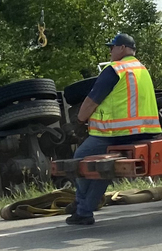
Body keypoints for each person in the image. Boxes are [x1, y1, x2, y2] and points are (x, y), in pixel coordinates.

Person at [67, 33, 162, 225]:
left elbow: (91, 101)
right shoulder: (142, 69)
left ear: (123, 48)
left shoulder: (115, 70)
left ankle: (82, 206)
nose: (110, 51)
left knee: (81, 160)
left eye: (113, 47)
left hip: (118, 135)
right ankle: (83, 210)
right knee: (102, 167)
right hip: (148, 132)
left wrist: (79, 120)